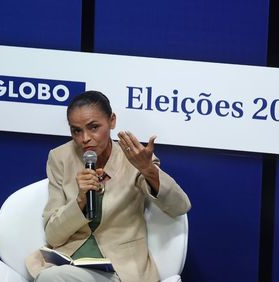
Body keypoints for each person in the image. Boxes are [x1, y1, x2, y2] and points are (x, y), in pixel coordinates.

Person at [26, 90, 191, 282]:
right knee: (52, 276)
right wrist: (79, 201)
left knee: (52, 279)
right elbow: (53, 236)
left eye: (93, 127)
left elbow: (180, 206)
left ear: (112, 121)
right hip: (69, 262)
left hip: (121, 269)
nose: (84, 138)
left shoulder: (134, 158)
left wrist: (148, 170)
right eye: (76, 131)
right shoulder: (60, 158)